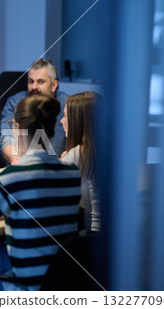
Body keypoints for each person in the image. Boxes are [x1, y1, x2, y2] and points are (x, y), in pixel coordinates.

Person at [0, 95, 81, 291]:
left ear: (18, 128)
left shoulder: (12, 177)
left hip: (29, 281)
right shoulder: (72, 172)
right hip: (62, 276)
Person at [0, 58, 68, 164]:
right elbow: (6, 138)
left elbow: (80, 138)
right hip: (21, 166)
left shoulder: (67, 105)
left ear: (54, 85)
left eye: (40, 82)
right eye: (31, 81)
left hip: (55, 168)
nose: (34, 87)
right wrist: (18, 161)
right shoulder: (14, 103)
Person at [60, 91, 100, 233]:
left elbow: (58, 195)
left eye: (65, 116)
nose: (61, 121)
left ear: (77, 121)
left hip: (90, 237)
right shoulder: (100, 151)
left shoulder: (78, 154)